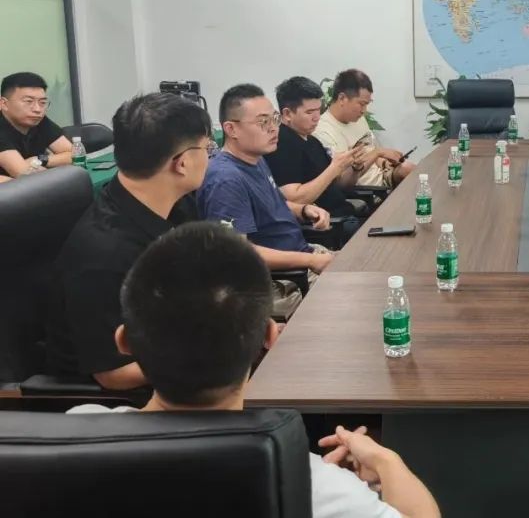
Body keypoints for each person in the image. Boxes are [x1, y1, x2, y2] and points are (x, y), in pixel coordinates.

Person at [67, 222, 441, 518]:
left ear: (124, 341)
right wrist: (385, 462)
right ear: (269, 337)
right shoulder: (311, 484)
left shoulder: (72, 436)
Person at [46, 93, 211, 390]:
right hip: (140, 398)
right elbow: (115, 374)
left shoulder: (177, 205)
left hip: (183, 343)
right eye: (207, 148)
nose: (210, 157)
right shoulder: (104, 254)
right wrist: (223, 352)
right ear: (183, 163)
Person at [197, 84, 334, 279]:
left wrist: (303, 210)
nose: (273, 128)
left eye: (274, 119)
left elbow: (271, 204)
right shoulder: (226, 179)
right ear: (231, 129)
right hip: (280, 279)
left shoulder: (256, 159)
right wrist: (310, 261)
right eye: (263, 122)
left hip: (302, 254)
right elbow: (234, 252)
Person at [267, 76, 366, 242]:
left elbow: (339, 185)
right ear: (287, 114)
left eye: (318, 110)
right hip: (327, 226)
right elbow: (294, 199)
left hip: (345, 215)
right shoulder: (282, 144)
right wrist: (334, 168)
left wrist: (354, 168)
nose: (317, 117)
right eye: (309, 112)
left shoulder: (311, 140)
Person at [313, 69, 415, 189]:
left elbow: (370, 150)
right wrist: (378, 153)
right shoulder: (324, 131)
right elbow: (342, 180)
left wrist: (385, 163)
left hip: (383, 177)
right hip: (366, 191)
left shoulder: (358, 119)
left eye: (367, 104)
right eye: (361, 104)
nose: (364, 110)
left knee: (413, 170)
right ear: (342, 98)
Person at [0, 71, 74, 178]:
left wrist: (39, 159)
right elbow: (24, 173)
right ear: (3, 104)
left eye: (42, 102)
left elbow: (75, 154)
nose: (37, 109)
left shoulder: (37, 119)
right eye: (28, 101)